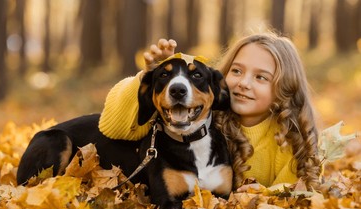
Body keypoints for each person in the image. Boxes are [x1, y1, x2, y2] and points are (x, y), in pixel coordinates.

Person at [99, 31, 321, 189]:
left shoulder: (286, 138)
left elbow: (294, 193)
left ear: (284, 90)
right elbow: (116, 128)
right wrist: (147, 78)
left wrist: (261, 195)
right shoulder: (198, 116)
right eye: (236, 71)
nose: (244, 83)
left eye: (261, 77)